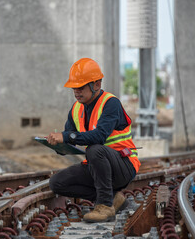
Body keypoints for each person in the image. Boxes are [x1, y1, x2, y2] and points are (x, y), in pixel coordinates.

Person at [47, 58, 141, 223]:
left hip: (124, 166)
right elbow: (69, 138)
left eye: (81, 87)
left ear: (96, 84)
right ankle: (113, 199)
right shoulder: (76, 109)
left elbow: (99, 136)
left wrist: (66, 136)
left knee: (94, 149)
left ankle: (105, 206)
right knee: (57, 183)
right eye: (74, 88)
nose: (76, 92)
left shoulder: (111, 103)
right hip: (97, 167)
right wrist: (58, 145)